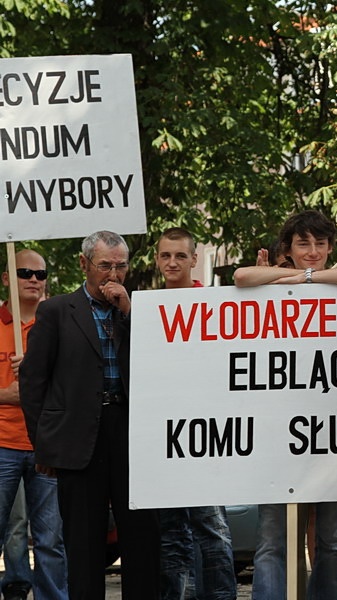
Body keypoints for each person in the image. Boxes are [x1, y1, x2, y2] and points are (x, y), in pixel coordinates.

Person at [19, 231, 161, 600]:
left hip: (130, 433)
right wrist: (44, 446)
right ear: (84, 265)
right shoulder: (56, 311)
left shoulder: (140, 311)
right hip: (77, 435)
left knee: (142, 538)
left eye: (120, 265)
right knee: (83, 543)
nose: (113, 274)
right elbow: (34, 383)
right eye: (104, 266)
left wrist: (129, 311)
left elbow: (159, 361)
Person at [235, 211, 337, 600]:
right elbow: (242, 278)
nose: (313, 252)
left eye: (321, 244)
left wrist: (302, 277)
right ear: (287, 247)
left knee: (331, 542)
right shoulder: (272, 279)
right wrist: (279, 276)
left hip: (333, 436)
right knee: (273, 541)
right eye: (303, 244)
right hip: (277, 436)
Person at [155, 227, 237, 600]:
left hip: (205, 437)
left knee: (211, 528)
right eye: (165, 256)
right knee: (171, 533)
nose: (172, 262)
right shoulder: (148, 308)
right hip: (161, 437)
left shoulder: (213, 304)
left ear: (193, 259)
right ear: (157, 260)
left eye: (179, 256)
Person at [0, 250, 68, 600]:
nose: (33, 280)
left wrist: (37, 375)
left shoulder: (57, 322)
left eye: (40, 274)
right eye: (24, 271)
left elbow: (75, 383)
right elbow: (11, 394)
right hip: (2, 444)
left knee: (50, 539)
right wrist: (6, 393)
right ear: (7, 278)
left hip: (46, 445)